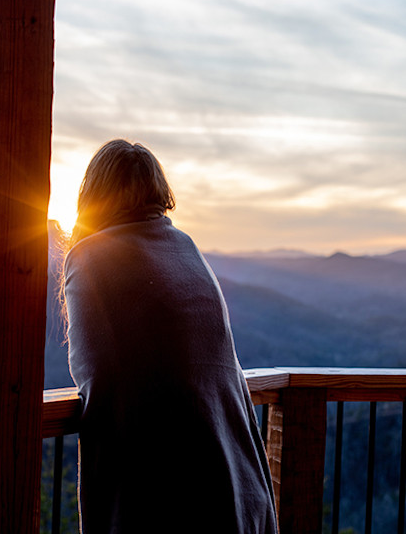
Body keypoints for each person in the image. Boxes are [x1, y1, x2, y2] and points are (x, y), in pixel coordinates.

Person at [64, 139, 278, 534]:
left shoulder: (89, 257)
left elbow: (93, 374)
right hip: (239, 489)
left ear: (93, 195)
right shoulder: (186, 247)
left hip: (165, 499)